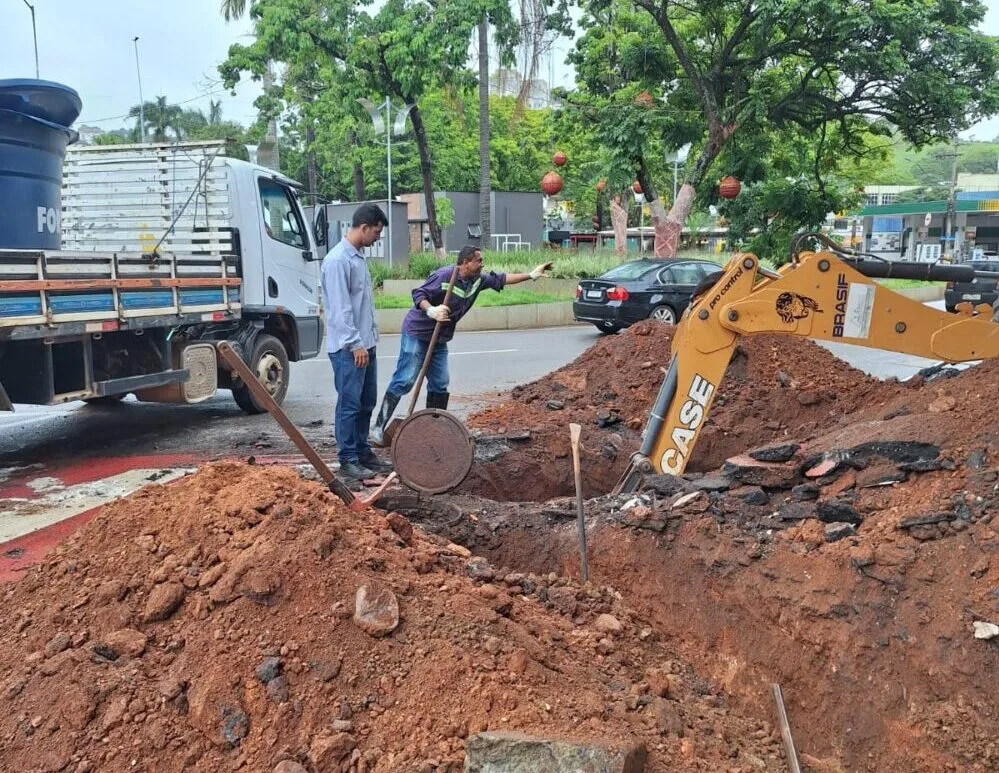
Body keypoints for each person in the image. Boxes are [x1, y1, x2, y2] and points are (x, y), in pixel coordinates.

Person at [370, 246, 552, 444]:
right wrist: (432, 310)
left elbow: (502, 279)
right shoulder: (445, 276)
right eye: (479, 260)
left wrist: (532, 275)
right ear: (466, 262)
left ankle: (434, 431)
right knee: (405, 379)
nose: (482, 264)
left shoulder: (477, 280)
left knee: (440, 383)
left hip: (440, 338)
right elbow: (419, 294)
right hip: (418, 332)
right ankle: (378, 427)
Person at [322, 202, 392, 480]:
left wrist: (370, 336)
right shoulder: (338, 260)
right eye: (376, 232)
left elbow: (362, 303)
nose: (377, 238)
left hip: (365, 344)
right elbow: (340, 310)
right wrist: (355, 344)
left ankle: (362, 452)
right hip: (349, 349)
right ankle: (348, 458)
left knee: (366, 402)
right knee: (349, 404)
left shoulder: (357, 256)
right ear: (363, 227)